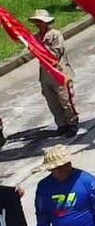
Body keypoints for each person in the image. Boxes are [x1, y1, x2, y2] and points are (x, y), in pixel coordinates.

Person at [29, 9, 79, 137]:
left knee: (65, 99)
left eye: (40, 21)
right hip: (45, 74)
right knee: (52, 101)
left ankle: (72, 123)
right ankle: (62, 124)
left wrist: (40, 47)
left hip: (59, 72)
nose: (38, 24)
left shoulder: (55, 35)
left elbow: (55, 54)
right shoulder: (36, 37)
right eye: (36, 22)